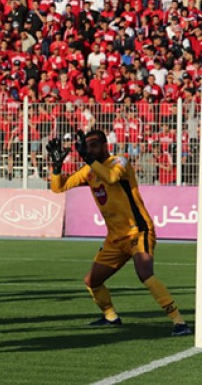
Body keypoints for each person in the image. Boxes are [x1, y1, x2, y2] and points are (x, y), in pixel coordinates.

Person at [47, 130, 192, 336]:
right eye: (87, 146)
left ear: (106, 146)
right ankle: (110, 316)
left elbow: (112, 178)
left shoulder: (120, 162)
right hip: (115, 238)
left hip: (138, 231)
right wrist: (56, 167)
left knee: (145, 274)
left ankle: (179, 322)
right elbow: (58, 188)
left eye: (94, 145)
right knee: (92, 281)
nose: (90, 149)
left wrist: (88, 159)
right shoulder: (89, 171)